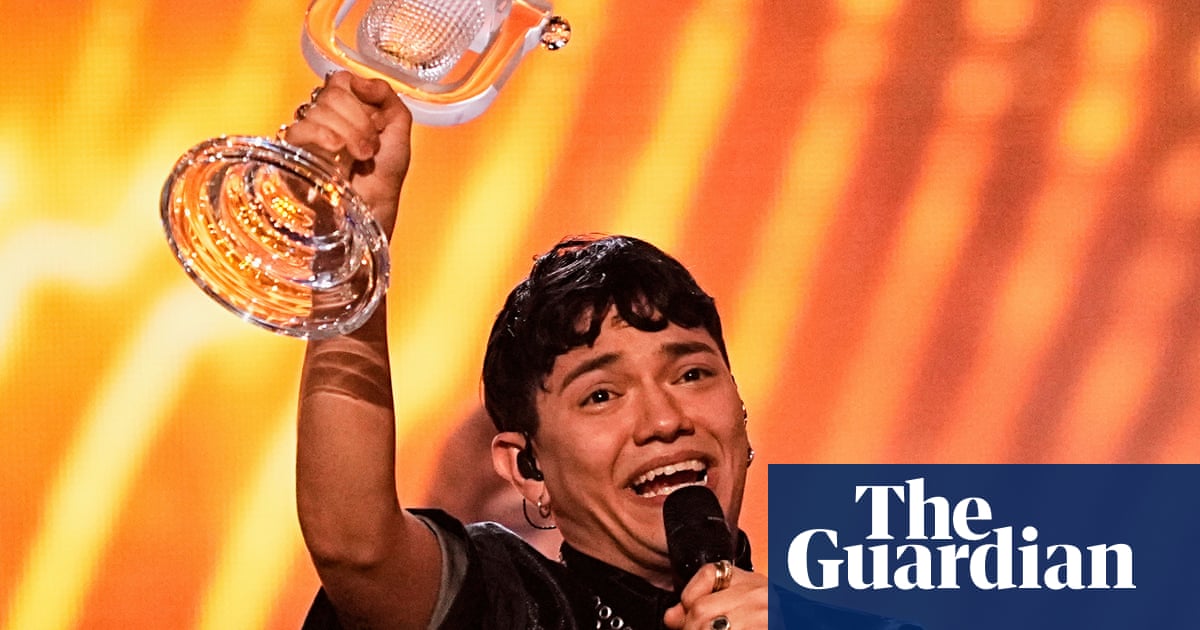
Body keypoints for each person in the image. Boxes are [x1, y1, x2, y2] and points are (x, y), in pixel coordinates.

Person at [286, 71, 919, 630]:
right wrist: (352, 239)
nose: (665, 420)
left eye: (692, 374)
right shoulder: (505, 605)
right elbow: (355, 546)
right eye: (601, 395)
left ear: (742, 414)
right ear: (528, 470)